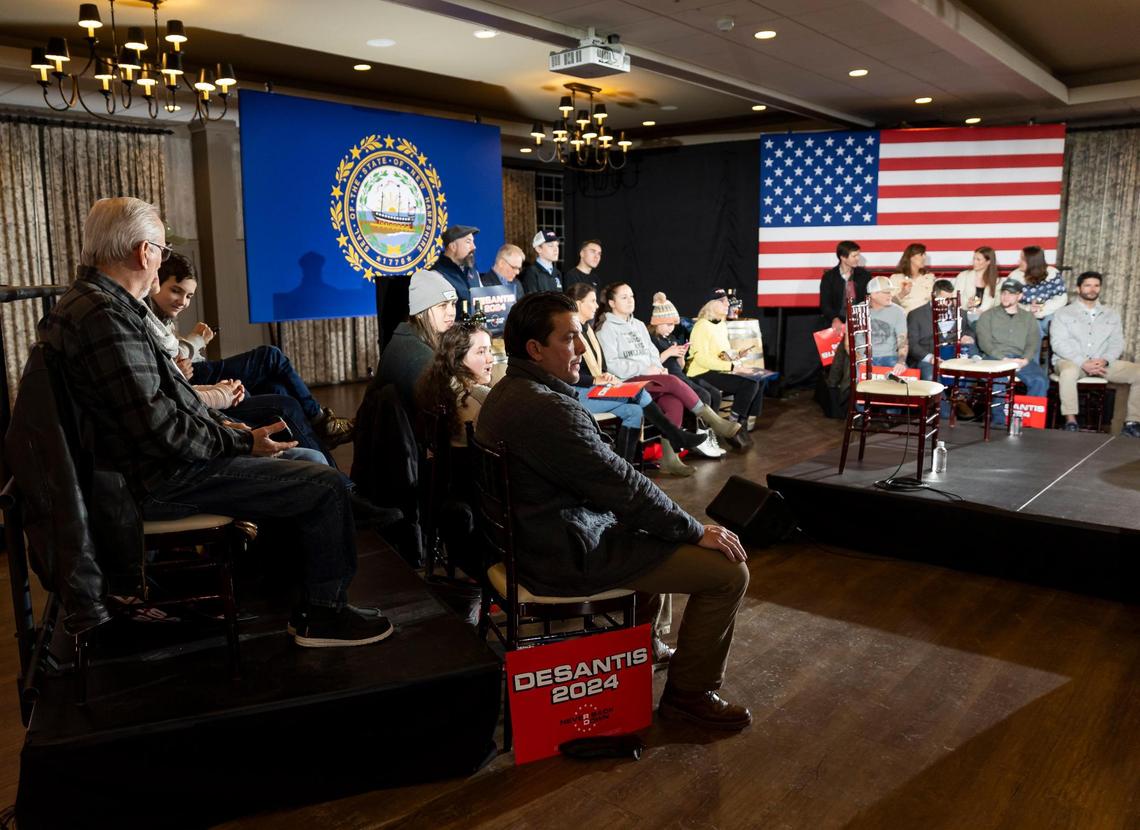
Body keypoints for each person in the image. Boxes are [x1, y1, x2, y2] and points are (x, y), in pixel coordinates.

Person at [40, 197, 393, 647]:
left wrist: (232, 430)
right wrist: (241, 444)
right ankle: (323, 615)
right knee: (323, 485)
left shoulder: (97, 304)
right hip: (152, 482)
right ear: (143, 253)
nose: (161, 261)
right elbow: (161, 429)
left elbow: (167, 406)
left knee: (304, 455)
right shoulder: (105, 317)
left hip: (141, 469)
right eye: (162, 251)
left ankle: (295, 585)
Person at [476, 291, 752, 730]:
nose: (582, 349)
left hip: (535, 540)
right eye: (569, 339)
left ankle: (644, 647)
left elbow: (615, 484)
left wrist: (669, 524)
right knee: (728, 572)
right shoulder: (546, 410)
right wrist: (692, 529)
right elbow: (622, 487)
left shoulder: (507, 392)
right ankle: (689, 696)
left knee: (654, 528)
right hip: (562, 553)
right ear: (534, 349)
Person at [152, 254, 354, 448]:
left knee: (278, 389)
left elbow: (177, 356)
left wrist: (189, 352)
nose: (183, 301)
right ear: (155, 281)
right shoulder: (146, 314)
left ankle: (322, 459)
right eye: (175, 291)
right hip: (192, 382)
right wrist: (196, 341)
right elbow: (171, 362)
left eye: (188, 296)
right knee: (270, 355)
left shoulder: (164, 317)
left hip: (194, 373)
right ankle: (320, 421)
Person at [567, 283, 709, 475]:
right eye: (592, 301)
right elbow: (566, 374)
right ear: (578, 304)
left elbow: (598, 368)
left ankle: (622, 472)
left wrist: (602, 376)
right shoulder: (569, 333)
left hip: (595, 387)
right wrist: (594, 380)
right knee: (639, 391)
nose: (596, 305)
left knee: (634, 411)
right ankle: (676, 436)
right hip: (577, 394)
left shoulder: (588, 330)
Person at [594, 282, 748, 452]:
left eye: (631, 296)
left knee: (673, 402)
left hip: (648, 378)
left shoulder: (638, 325)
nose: (630, 300)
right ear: (612, 303)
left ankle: (669, 458)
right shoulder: (606, 329)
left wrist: (657, 367)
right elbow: (613, 366)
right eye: (624, 297)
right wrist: (646, 368)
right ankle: (714, 421)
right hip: (625, 382)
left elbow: (652, 354)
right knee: (673, 381)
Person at [1049, 271, 1140, 436]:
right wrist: (1083, 362)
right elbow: (1058, 343)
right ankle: (1071, 421)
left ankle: (1132, 423)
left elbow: (1117, 342)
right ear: (1078, 288)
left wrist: (1105, 360)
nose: (1092, 289)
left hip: (1102, 363)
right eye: (1088, 285)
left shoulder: (1111, 314)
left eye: (1096, 285)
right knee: (1068, 372)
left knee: (1138, 372)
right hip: (1071, 361)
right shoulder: (1063, 313)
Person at [375, 269, 457, 411]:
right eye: (442, 305)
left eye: (453, 304)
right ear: (419, 313)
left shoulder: (406, 336)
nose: (451, 312)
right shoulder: (420, 358)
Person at [686, 289, 765, 431]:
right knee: (749, 384)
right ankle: (734, 423)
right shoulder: (701, 326)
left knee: (759, 378)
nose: (727, 304)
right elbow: (701, 359)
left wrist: (738, 354)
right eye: (722, 301)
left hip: (718, 368)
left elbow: (723, 353)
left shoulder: (721, 325)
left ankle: (742, 419)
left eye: (726, 301)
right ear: (711, 305)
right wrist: (732, 367)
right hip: (702, 372)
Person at [647, 292, 724, 416]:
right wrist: (669, 352)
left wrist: (681, 355)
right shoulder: (651, 339)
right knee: (703, 396)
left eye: (673, 325)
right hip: (667, 379)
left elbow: (680, 367)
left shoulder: (671, 338)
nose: (671, 328)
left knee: (714, 394)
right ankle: (700, 428)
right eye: (669, 325)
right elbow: (648, 365)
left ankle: (710, 428)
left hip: (680, 376)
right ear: (657, 322)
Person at [975, 278, 1049, 398]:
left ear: (1019, 296)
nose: (1006, 297)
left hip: (1020, 359)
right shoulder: (987, 315)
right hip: (994, 358)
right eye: (1004, 293)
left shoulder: (1028, 318)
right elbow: (984, 343)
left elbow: (1033, 342)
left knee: (1040, 381)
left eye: (1011, 294)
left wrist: (1025, 359)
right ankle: (1000, 417)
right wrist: (1003, 358)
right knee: (999, 383)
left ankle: (1027, 416)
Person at [907, 279, 977, 380]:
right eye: (943, 299)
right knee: (931, 376)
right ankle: (941, 396)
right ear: (934, 295)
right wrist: (930, 358)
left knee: (971, 374)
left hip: (955, 355)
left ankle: (961, 396)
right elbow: (912, 344)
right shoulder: (916, 315)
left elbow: (968, 330)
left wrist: (968, 337)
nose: (947, 303)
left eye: (949, 299)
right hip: (928, 357)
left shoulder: (960, 313)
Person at [1008, 245, 1067, 339]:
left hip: (1048, 313)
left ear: (1032, 262)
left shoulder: (1052, 273)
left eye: (1022, 259)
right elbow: (1008, 301)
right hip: (1024, 315)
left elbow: (1061, 299)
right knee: (1033, 327)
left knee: (1056, 325)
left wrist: (1042, 309)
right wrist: (1028, 309)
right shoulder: (1014, 276)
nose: (1018, 261)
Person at [819, 240, 871, 334]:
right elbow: (825, 304)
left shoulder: (864, 275)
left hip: (859, 322)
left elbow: (868, 299)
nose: (858, 258)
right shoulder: (829, 277)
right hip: (836, 321)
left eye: (858, 255)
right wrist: (834, 319)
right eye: (854, 256)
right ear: (843, 257)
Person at [431, 225, 481, 315]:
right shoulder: (437, 274)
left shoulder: (472, 270)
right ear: (453, 247)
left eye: (473, 242)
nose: (474, 247)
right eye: (468, 242)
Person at [866, 276, 908, 374]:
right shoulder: (858, 310)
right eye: (886, 292)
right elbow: (848, 344)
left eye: (890, 292)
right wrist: (861, 362)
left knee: (904, 378)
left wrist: (901, 362)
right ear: (874, 294)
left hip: (891, 358)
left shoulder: (899, 311)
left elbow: (902, 341)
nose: (890, 295)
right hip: (865, 359)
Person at [953, 246, 1000, 324]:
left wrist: (983, 313)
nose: (974, 262)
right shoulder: (963, 276)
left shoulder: (997, 282)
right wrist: (966, 304)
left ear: (988, 262)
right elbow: (954, 299)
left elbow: (998, 306)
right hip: (964, 319)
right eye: (974, 259)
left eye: (978, 259)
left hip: (987, 321)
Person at [888, 243, 935, 315]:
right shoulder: (896, 278)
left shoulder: (929, 277)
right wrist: (902, 293)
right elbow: (887, 303)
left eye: (925, 255)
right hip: (905, 319)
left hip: (926, 318)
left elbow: (935, 300)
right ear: (911, 257)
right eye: (921, 255)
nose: (924, 257)